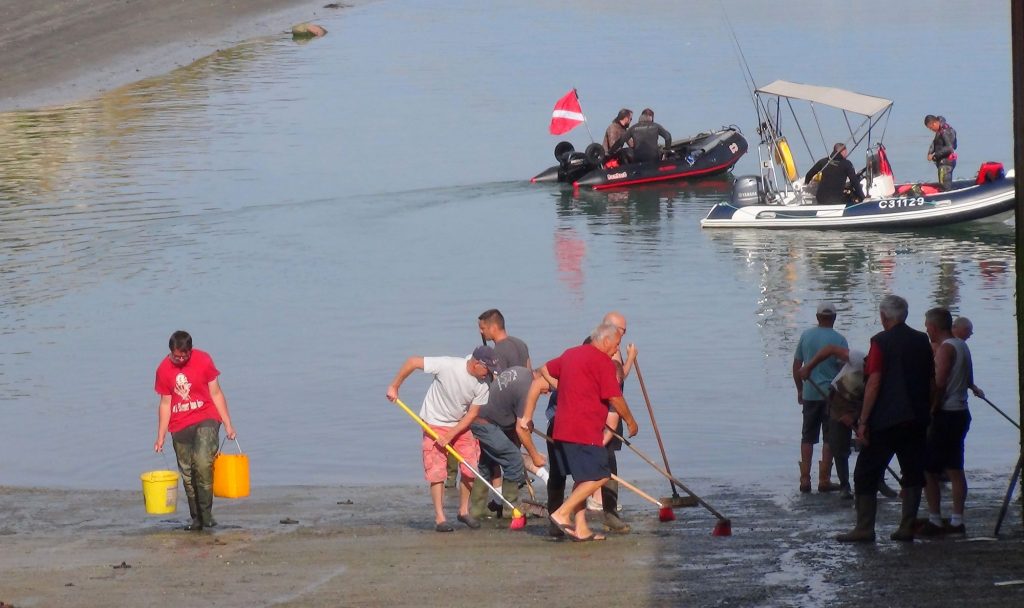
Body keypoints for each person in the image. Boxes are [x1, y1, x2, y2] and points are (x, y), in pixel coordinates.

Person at [837, 295, 934, 543]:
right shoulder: (922, 340)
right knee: (913, 471)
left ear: (883, 317)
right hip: (916, 417)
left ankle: (865, 528)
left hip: (886, 418)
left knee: (866, 472)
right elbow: (931, 382)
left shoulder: (880, 342)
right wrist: (929, 410)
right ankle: (906, 526)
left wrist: (863, 421)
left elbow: (874, 382)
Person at [537, 323, 640, 541]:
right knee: (601, 474)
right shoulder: (602, 361)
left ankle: (581, 528)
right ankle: (562, 512)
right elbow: (615, 398)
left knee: (582, 479)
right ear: (605, 340)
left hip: (561, 427)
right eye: (616, 345)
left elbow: (544, 368)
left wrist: (562, 386)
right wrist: (631, 421)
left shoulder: (570, 353)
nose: (616, 350)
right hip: (583, 430)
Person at [385, 346, 497, 532]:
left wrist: (451, 434)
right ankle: (440, 518)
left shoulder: (484, 384)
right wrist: (395, 386)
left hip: (459, 424)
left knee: (470, 467)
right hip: (433, 422)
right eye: (488, 369)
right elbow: (413, 361)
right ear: (477, 364)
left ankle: (463, 511)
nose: (490, 374)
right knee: (436, 472)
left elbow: (471, 415)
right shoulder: (448, 365)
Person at [153, 330, 237, 531]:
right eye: (176, 356)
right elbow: (165, 403)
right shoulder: (163, 369)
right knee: (188, 474)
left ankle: (207, 517)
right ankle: (197, 519)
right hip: (179, 424)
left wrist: (228, 424)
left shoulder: (204, 360)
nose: (180, 359)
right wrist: (160, 436)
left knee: (202, 463)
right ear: (171, 352)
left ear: (190, 351)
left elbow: (216, 393)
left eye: (184, 356)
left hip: (206, 417)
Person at [457, 366, 551, 521]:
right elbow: (521, 430)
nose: (547, 393)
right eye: (549, 387)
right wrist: (535, 456)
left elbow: (512, 405)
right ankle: (510, 509)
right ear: (541, 378)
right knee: (513, 459)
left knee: (487, 464)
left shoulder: (521, 371)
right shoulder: (527, 389)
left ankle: (477, 510)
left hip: (483, 417)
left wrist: (527, 420)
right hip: (485, 422)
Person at [921, 309, 984, 537]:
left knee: (928, 469)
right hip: (961, 411)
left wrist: (931, 409)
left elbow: (939, 384)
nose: (926, 329)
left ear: (935, 327)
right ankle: (957, 520)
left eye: (927, 325)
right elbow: (967, 380)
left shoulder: (946, 349)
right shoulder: (962, 346)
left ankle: (935, 519)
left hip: (946, 414)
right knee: (955, 467)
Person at [792, 302, 848, 493]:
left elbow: (797, 366)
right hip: (831, 395)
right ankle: (824, 479)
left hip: (810, 393)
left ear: (817, 318)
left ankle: (805, 479)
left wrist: (800, 389)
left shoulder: (806, 336)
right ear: (834, 318)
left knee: (807, 436)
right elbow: (844, 371)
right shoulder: (839, 340)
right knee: (829, 437)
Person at [925, 114, 957, 191]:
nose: (931, 130)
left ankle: (948, 196)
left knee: (945, 187)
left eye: (931, 128)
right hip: (942, 162)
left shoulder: (945, 131)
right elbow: (935, 142)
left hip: (946, 163)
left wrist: (935, 155)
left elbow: (950, 148)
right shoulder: (940, 130)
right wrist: (930, 152)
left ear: (935, 123)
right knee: (942, 183)